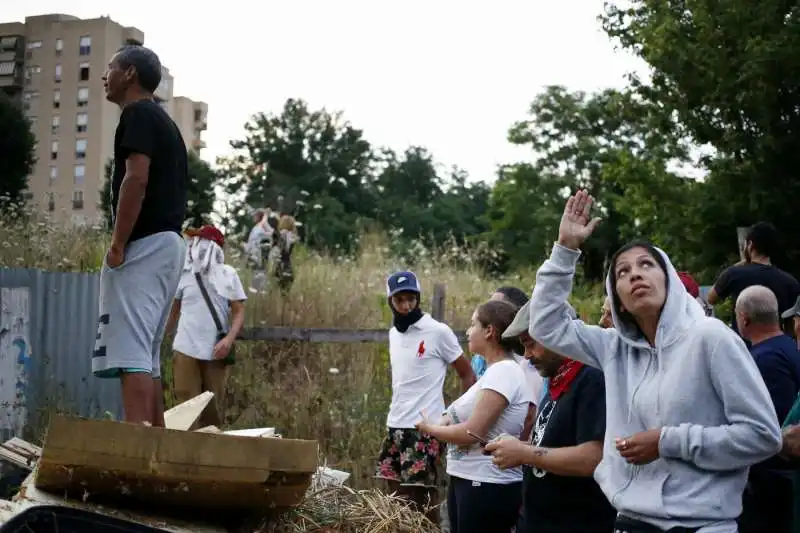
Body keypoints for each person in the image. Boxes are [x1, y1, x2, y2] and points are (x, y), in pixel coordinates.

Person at [528, 189, 782, 533]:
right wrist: (565, 250)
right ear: (615, 297)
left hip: (700, 525)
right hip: (629, 521)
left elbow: (764, 436)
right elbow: (545, 324)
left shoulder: (711, 338)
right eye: (622, 272)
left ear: (670, 280)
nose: (634, 275)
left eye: (646, 265)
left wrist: (667, 441)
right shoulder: (613, 348)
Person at [92, 45, 187, 426]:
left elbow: (136, 178)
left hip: (145, 243)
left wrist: (117, 244)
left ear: (129, 74)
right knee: (146, 353)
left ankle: (137, 449)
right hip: (169, 243)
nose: (104, 75)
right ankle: (156, 445)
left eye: (110, 67)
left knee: (131, 350)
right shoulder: (163, 121)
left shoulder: (137, 114)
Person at [486, 299, 615, 533]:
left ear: (559, 334)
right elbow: (555, 445)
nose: (527, 355)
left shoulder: (592, 379)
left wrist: (525, 453)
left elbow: (594, 457)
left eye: (531, 344)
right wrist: (516, 448)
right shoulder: (560, 379)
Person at [416, 300, 532, 533]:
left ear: (489, 331)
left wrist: (431, 429)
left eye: (473, 324)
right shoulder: (493, 373)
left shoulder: (504, 372)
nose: (468, 331)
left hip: (487, 484)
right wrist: (445, 419)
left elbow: (473, 432)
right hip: (470, 479)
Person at [375, 271, 475, 521]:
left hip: (424, 427)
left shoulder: (437, 331)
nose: (406, 305)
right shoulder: (393, 334)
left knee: (421, 499)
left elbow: (467, 375)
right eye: (400, 300)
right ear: (391, 301)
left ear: (418, 298)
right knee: (394, 499)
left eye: (411, 298)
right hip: (395, 423)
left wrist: (456, 417)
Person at [165, 225, 247, 428]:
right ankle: (186, 455)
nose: (194, 246)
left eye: (199, 242)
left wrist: (229, 339)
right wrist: (159, 339)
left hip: (215, 351)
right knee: (186, 408)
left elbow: (238, 311)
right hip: (185, 349)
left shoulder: (228, 274)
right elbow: (173, 312)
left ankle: (212, 456)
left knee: (213, 410)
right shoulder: (184, 275)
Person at [735, 285, 800, 533]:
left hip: (773, 484)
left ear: (744, 318)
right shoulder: (788, 347)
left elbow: (774, 425)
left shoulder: (764, 361)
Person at [708, 221, 800, 335]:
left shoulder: (734, 274)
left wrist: (738, 264)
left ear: (750, 244)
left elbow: (711, 298)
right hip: (778, 347)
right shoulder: (790, 282)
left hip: (743, 349)